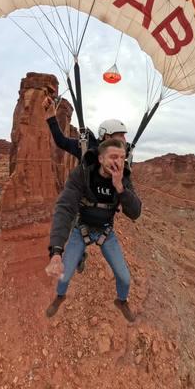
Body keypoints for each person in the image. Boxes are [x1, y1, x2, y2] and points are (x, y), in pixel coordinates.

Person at [45, 138, 142, 322]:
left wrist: (120, 188)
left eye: (122, 158)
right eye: (113, 157)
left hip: (106, 233)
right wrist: (56, 251)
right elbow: (65, 208)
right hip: (81, 229)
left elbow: (135, 212)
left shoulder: (124, 179)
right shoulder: (83, 174)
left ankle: (121, 301)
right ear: (100, 159)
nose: (118, 162)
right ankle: (60, 296)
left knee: (125, 278)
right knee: (64, 276)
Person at [43, 96, 129, 273]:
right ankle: (79, 257)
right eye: (120, 136)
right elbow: (61, 141)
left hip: (105, 209)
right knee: (75, 228)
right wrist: (51, 116)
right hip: (83, 199)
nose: (124, 140)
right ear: (106, 136)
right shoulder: (85, 147)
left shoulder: (121, 155)